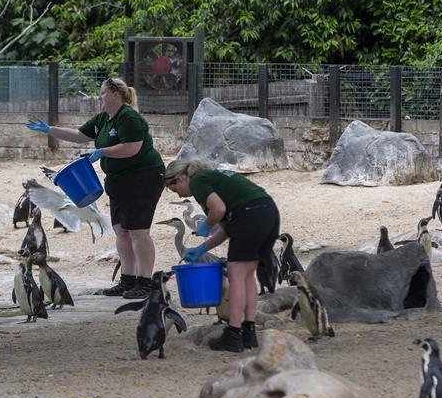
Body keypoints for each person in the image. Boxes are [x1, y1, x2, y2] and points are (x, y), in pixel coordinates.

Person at [26, 77, 164, 298]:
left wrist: (103, 152)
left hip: (143, 177)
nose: (100, 97)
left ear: (115, 94)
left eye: (103, 92)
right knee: (121, 231)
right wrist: (49, 129)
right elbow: (79, 136)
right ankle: (128, 280)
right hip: (117, 179)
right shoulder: (103, 118)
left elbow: (132, 148)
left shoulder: (130, 117)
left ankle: (145, 282)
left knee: (139, 231)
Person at [163, 159, 280, 352]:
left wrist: (206, 224)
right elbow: (226, 229)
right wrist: (202, 248)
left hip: (249, 215)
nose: (180, 195)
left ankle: (233, 334)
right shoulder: (213, 180)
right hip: (268, 212)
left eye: (176, 190)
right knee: (247, 275)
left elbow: (219, 209)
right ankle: (249, 332)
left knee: (235, 275)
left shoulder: (197, 181)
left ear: (180, 178)